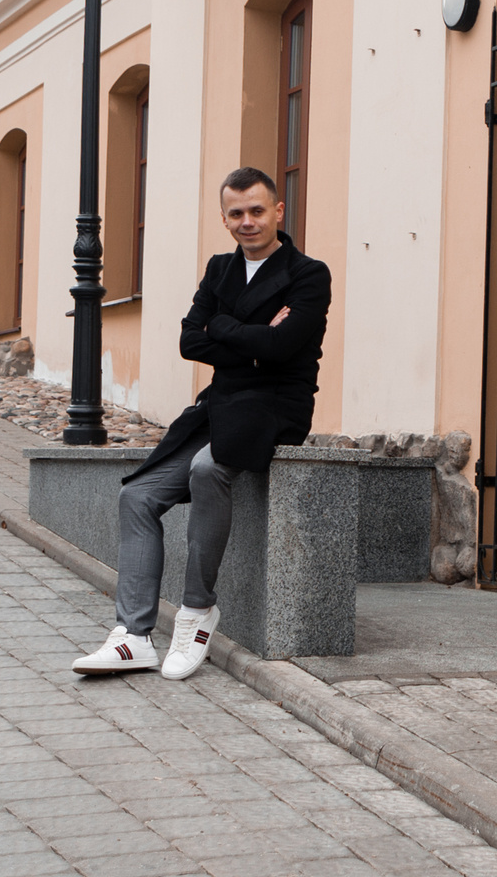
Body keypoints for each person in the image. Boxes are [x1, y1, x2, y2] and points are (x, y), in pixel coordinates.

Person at [72, 167, 332, 679]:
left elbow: (283, 350)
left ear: (278, 211)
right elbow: (191, 341)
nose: (247, 221)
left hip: (277, 405)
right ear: (224, 218)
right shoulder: (219, 269)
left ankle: (196, 611)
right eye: (236, 213)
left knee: (208, 470)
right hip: (221, 403)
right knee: (137, 497)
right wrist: (252, 336)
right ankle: (133, 637)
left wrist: (225, 327)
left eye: (257, 210)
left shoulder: (307, 273)